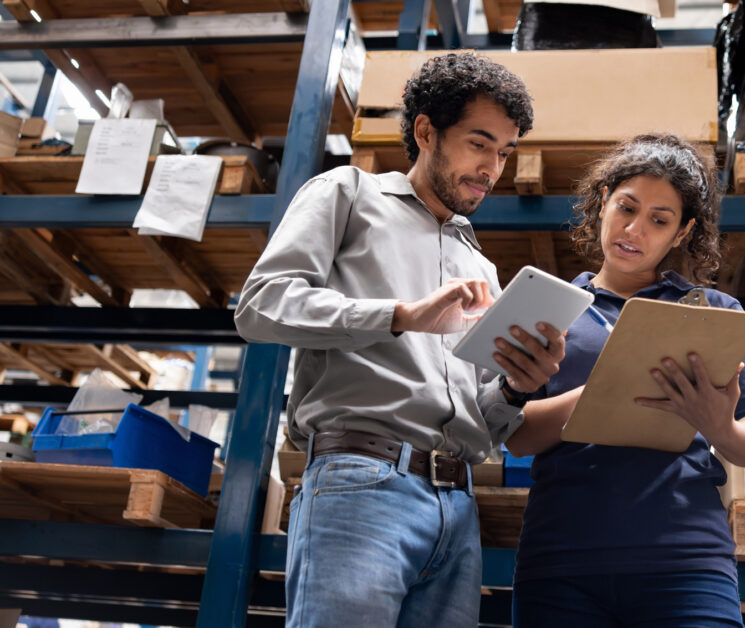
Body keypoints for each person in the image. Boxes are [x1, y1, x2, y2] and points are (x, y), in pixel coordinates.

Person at [234, 52, 566, 628]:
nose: (492, 168)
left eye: (504, 153)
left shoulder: (480, 268)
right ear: (425, 131)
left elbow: (483, 421)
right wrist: (399, 315)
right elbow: (260, 306)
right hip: (361, 481)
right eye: (479, 143)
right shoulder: (348, 194)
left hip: (457, 506)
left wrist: (515, 389)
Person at [505, 133, 745, 627]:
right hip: (562, 562)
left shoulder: (716, 314)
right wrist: (602, 393)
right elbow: (516, 436)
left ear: (682, 233)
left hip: (688, 563)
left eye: (659, 220)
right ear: (601, 203)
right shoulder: (548, 308)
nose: (635, 229)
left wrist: (720, 427)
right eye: (626, 208)